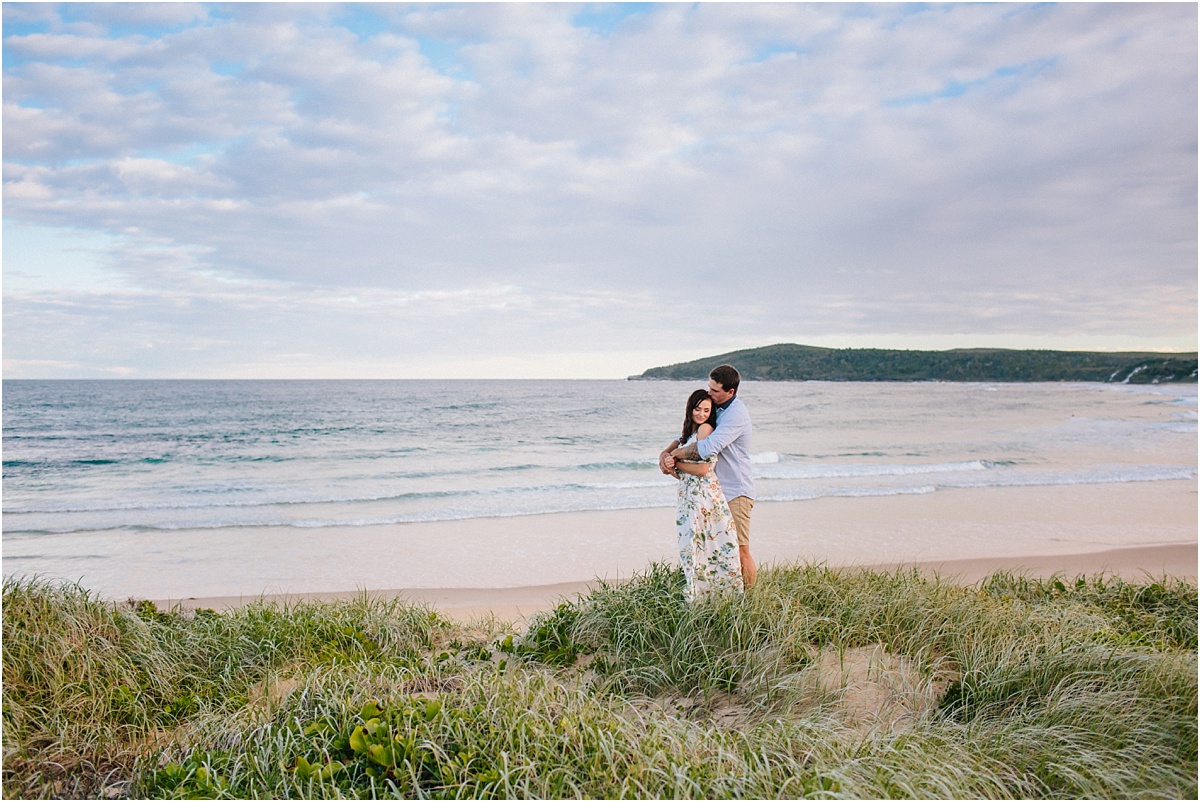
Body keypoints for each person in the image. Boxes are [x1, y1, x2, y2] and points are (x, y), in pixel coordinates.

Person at [659, 364, 757, 587]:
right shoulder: (717, 409)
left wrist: (673, 457)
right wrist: (664, 453)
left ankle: (750, 601)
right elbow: (687, 434)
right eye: (709, 387)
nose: (710, 393)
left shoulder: (736, 414)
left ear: (730, 392)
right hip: (715, 493)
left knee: (740, 550)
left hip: (736, 491)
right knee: (718, 550)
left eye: (715, 390)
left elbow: (707, 448)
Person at [670, 388, 743, 601]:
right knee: (695, 546)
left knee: (701, 545)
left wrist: (676, 463)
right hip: (690, 496)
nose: (701, 414)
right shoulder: (688, 433)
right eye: (697, 409)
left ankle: (704, 597)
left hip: (702, 497)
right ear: (690, 408)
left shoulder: (705, 429)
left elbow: (703, 469)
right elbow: (674, 462)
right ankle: (702, 596)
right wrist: (667, 459)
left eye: (706, 410)